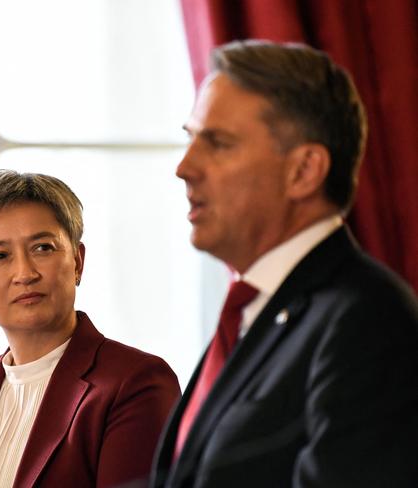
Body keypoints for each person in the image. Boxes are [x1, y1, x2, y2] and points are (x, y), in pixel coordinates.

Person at [150, 40, 418, 487]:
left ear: (304, 171)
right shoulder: (254, 310)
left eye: (217, 143)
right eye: (190, 138)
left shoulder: (368, 322)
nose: (185, 166)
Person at [0, 169, 181, 488]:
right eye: (0, 256)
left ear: (77, 261)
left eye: (43, 248)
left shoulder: (135, 384)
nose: (24, 273)